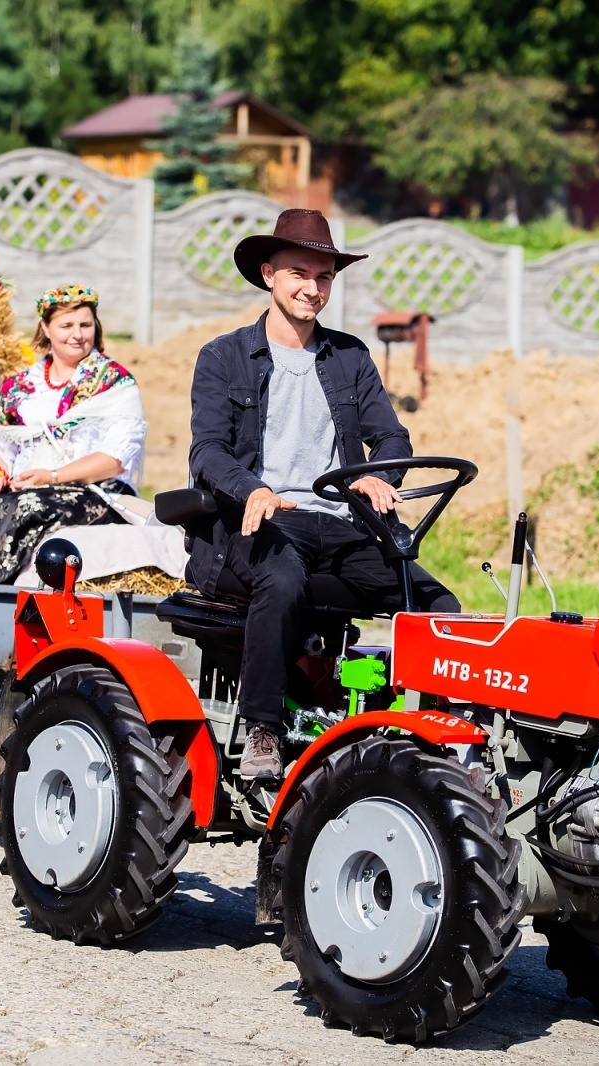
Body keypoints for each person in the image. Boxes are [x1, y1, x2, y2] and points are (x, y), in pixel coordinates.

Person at [186, 209, 460, 781]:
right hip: (257, 523)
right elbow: (207, 452)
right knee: (283, 578)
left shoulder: (350, 357)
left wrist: (379, 477)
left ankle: (436, 729)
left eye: (325, 277)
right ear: (268, 274)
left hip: (337, 524)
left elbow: (390, 435)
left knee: (437, 603)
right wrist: (252, 489)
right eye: (299, 274)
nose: (313, 288)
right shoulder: (223, 356)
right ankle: (262, 729)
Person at [0, 284, 146, 585]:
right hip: (31, 486)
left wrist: (53, 476)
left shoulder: (114, 383)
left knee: (27, 509)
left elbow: (114, 460)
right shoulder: (20, 386)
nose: (77, 334)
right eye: (66, 325)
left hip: (96, 492)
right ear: (46, 327)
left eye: (85, 325)